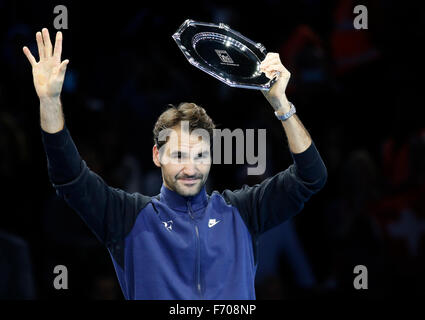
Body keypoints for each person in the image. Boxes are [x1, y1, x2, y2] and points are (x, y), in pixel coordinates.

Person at [23, 28, 327, 299]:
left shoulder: (244, 211)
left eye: (200, 155)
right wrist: (49, 102)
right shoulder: (126, 216)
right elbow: (69, 177)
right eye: (179, 155)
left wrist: (281, 104)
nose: (191, 168)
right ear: (157, 155)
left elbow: (311, 177)